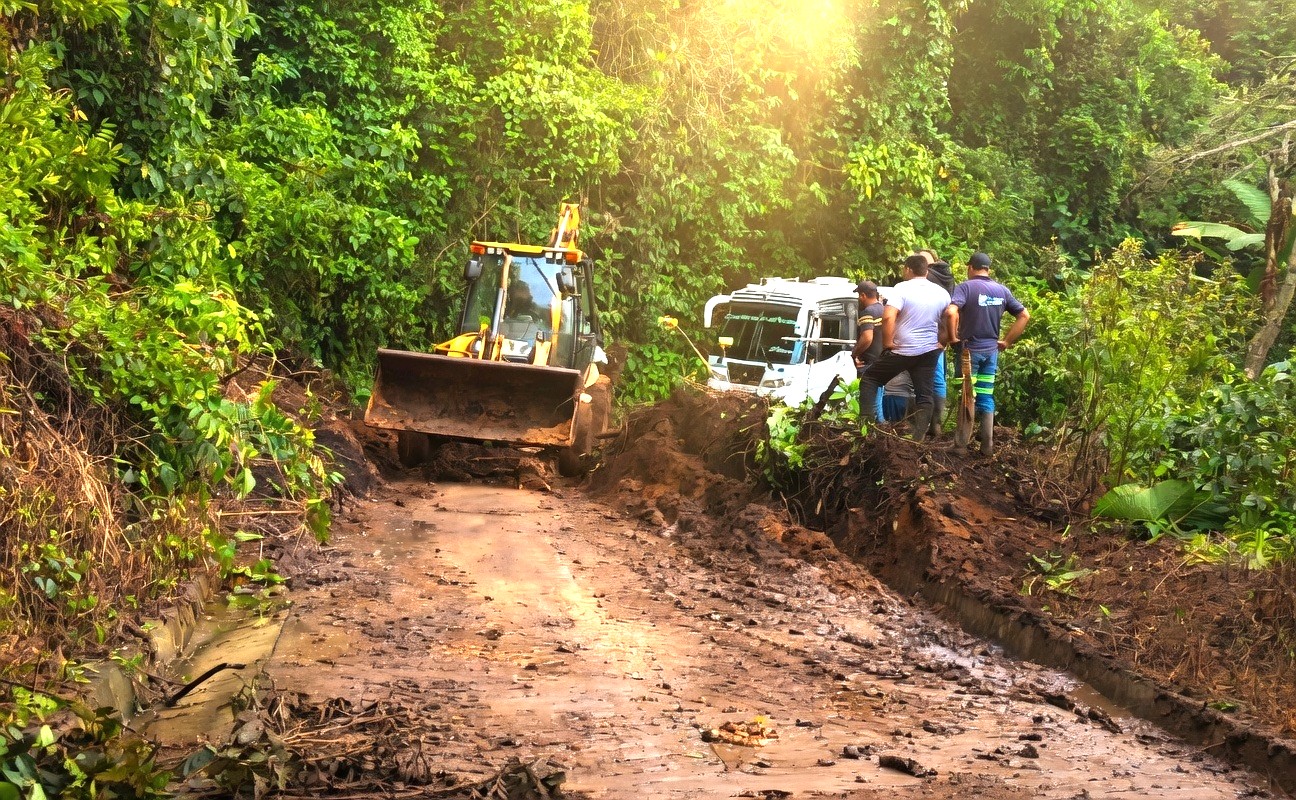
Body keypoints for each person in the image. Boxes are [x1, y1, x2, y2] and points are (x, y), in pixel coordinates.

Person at [858, 254, 952, 441]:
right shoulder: (942, 292)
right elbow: (950, 316)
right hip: (928, 351)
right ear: (926, 270)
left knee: (869, 379)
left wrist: (888, 343)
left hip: (903, 350)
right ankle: (918, 439)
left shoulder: (902, 288)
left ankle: (866, 431)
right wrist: (943, 341)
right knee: (924, 394)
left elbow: (888, 316)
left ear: (908, 269)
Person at [947, 252, 1030, 456]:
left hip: (969, 351)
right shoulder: (1002, 290)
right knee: (985, 395)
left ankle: (960, 446)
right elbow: (1024, 315)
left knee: (967, 394)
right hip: (991, 351)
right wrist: (1007, 341)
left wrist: (952, 339)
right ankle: (987, 445)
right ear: (988, 269)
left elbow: (951, 312)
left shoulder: (965, 287)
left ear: (970, 267)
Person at [919, 249, 955, 437]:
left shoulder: (927, 277)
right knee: (938, 376)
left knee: (922, 376)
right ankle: (936, 424)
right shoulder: (947, 276)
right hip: (943, 332)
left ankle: (922, 424)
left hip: (926, 332)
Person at [852, 280, 885, 421]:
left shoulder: (868, 312)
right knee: (878, 402)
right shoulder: (884, 309)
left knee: (871, 405)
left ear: (863, 295)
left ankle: (877, 433)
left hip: (869, 363)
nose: (859, 298)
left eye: (860, 295)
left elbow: (867, 337)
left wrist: (854, 353)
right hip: (882, 360)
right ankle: (882, 433)